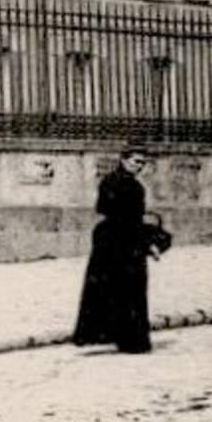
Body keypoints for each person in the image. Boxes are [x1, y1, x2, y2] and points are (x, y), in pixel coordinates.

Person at [73, 145, 154, 354]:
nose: (139, 166)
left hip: (112, 240)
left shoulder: (112, 182)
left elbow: (104, 209)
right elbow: (127, 217)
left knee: (114, 289)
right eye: (136, 161)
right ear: (124, 160)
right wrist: (146, 242)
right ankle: (130, 339)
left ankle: (117, 335)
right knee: (128, 289)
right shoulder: (127, 186)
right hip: (124, 241)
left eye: (142, 163)